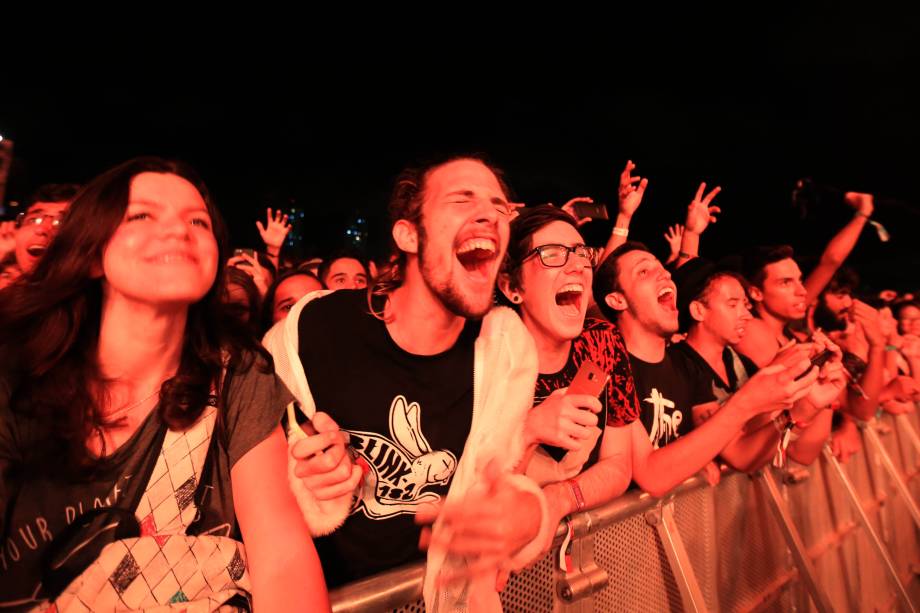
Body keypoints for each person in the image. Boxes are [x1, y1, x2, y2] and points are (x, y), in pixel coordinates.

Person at [0, 158, 328, 611]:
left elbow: (283, 559)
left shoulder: (241, 375)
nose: (178, 231)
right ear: (93, 252)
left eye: (198, 220)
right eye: (141, 215)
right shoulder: (14, 369)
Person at [265, 156, 550, 611]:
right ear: (408, 234)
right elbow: (252, 474)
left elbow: (501, 473)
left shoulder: (504, 348)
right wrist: (309, 479)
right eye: (462, 199)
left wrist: (528, 514)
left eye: (500, 207)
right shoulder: (315, 327)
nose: (489, 215)